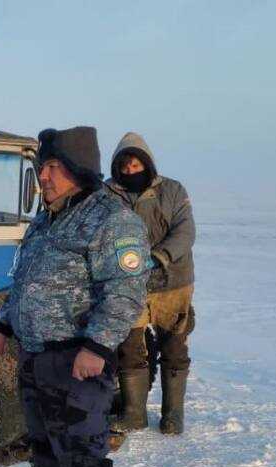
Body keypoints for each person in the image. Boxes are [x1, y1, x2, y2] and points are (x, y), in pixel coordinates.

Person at [0, 126, 149, 467]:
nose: (44, 176)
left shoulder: (111, 220)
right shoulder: (49, 217)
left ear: (77, 169)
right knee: (43, 444)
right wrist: (3, 325)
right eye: (42, 167)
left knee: (83, 457)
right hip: (37, 354)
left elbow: (125, 291)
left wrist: (96, 348)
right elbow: (25, 280)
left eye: (53, 168)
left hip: (77, 359)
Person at [106, 133, 196, 435]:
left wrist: (159, 256)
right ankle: (134, 413)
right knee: (130, 347)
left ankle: (173, 415)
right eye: (125, 167)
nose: (131, 171)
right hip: (128, 284)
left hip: (172, 281)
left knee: (174, 343)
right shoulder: (107, 194)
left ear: (147, 163)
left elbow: (185, 232)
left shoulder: (172, 190)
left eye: (135, 165)